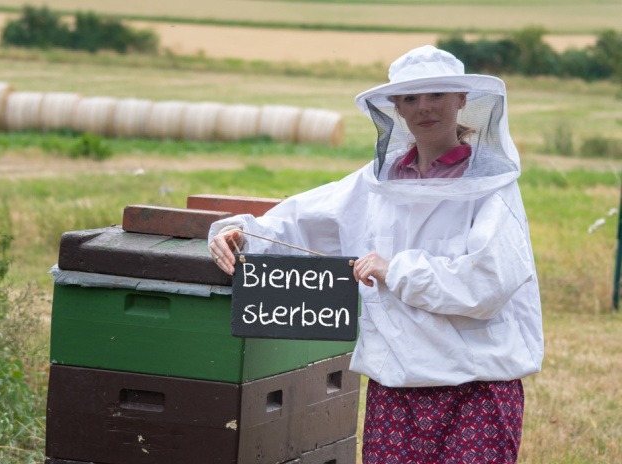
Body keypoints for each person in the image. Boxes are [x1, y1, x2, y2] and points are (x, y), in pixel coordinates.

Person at [208, 45, 543, 463]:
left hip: (476, 387)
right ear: (396, 109)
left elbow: (487, 282)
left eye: (436, 94)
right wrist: (237, 235)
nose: (424, 108)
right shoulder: (373, 186)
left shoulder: (493, 188)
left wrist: (395, 269)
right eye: (410, 98)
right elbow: (294, 223)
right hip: (395, 388)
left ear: (461, 99)